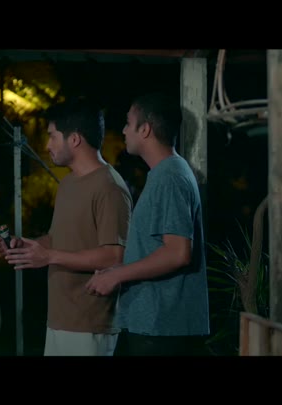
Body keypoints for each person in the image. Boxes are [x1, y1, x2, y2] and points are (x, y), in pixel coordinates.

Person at [0, 98, 133, 356]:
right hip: (60, 318)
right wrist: (27, 246)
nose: (47, 145)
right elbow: (57, 238)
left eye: (52, 136)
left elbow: (115, 256)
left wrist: (48, 257)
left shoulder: (109, 187)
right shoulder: (68, 183)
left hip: (89, 322)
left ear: (75, 139)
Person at [85, 92, 210, 356]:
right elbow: (156, 249)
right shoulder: (164, 174)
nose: (124, 130)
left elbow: (177, 252)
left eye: (128, 123)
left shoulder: (170, 177)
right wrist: (114, 271)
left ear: (145, 130)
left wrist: (117, 275)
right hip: (153, 326)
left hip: (162, 329)